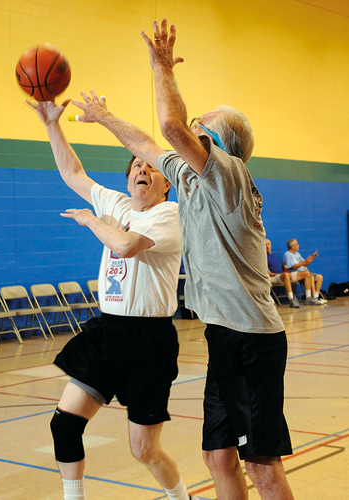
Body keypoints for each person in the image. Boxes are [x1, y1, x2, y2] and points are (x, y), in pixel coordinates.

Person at [66, 18, 295, 500]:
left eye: (199, 127)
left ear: (218, 144)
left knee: (262, 466)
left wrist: (161, 65)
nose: (188, 130)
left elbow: (168, 126)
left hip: (253, 339)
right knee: (217, 457)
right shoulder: (192, 182)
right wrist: (103, 117)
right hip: (224, 335)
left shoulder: (228, 174)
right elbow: (148, 144)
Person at [25, 99, 197, 500]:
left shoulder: (169, 214)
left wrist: (90, 220)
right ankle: (74, 497)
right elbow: (73, 173)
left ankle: (181, 497)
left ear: (166, 183)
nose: (142, 168)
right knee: (64, 424)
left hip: (148, 339)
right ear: (127, 180)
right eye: (136, 165)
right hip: (106, 330)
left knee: (143, 450)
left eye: (151, 166)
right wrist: (52, 124)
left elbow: (123, 246)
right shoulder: (117, 204)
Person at [266, 239, 316, 308]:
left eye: (268, 244)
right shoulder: (263, 257)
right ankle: (292, 299)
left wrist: (312, 258)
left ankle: (308, 297)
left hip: (283, 275)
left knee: (307, 273)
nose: (267, 246)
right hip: (274, 277)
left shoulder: (274, 255)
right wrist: (280, 274)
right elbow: (267, 273)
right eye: (265, 244)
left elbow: (305, 263)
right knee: (286, 274)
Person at [283, 239, 326, 305]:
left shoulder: (297, 254)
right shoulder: (287, 254)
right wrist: (303, 262)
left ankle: (316, 297)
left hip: (304, 273)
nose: (298, 245)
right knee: (308, 274)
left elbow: (305, 264)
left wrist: (312, 258)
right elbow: (293, 266)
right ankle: (308, 298)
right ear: (292, 246)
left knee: (319, 277)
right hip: (294, 274)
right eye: (297, 244)